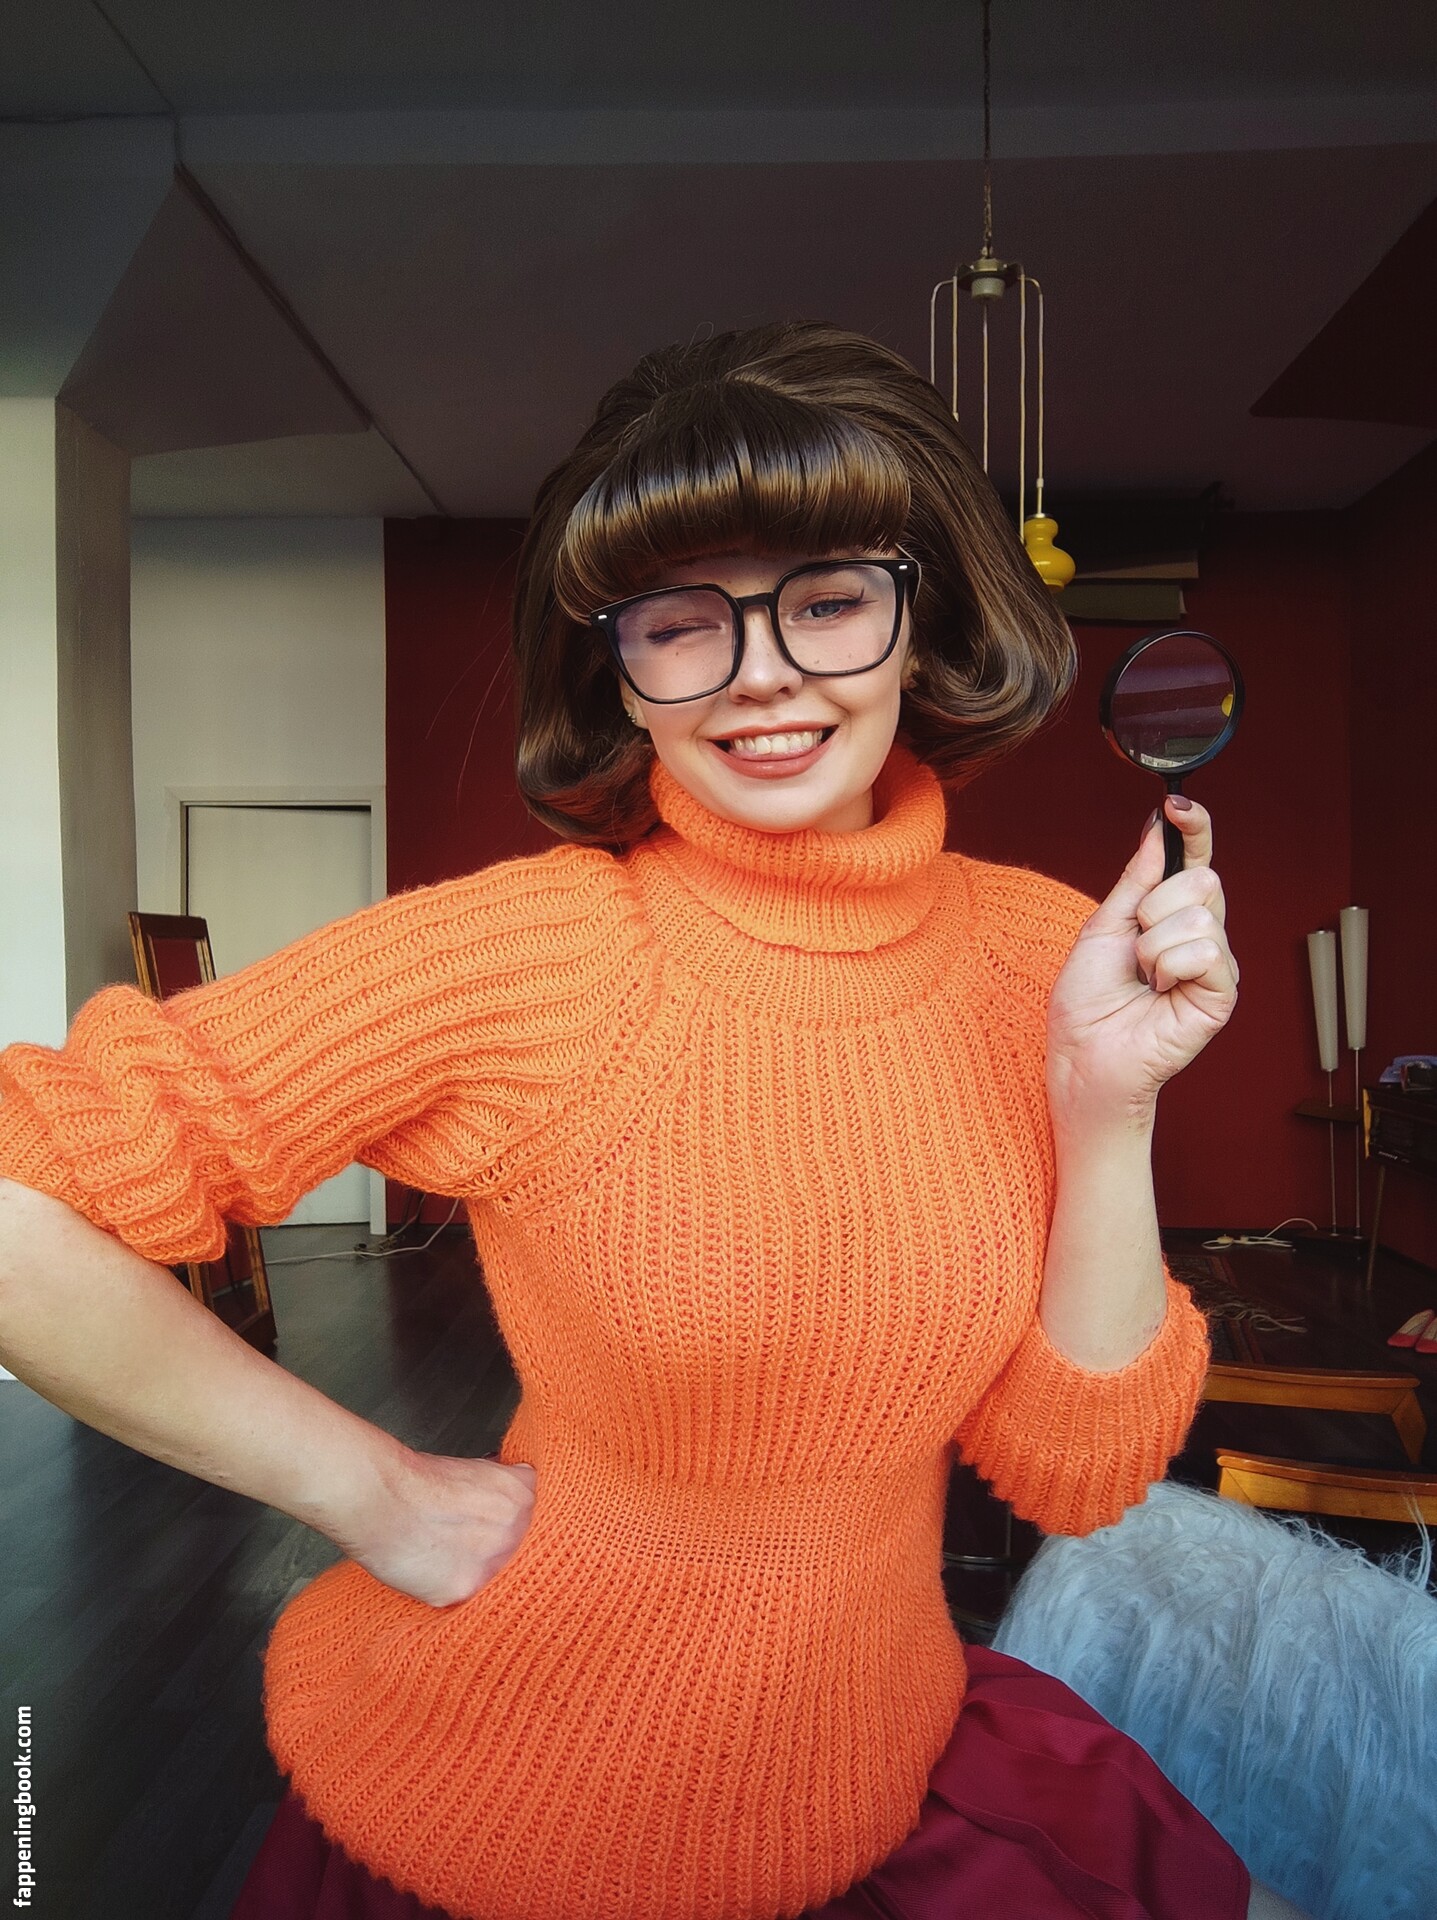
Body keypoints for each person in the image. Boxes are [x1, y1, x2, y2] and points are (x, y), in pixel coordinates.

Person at [0, 322, 1304, 1920]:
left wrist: (1107, 1109)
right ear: (617, 670)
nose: (759, 673)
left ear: (922, 622)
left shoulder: (1047, 955)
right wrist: (372, 1493)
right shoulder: (534, 957)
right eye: (678, 621)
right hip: (514, 1797)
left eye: (827, 600)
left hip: (873, 1758)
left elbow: (1076, 1475)